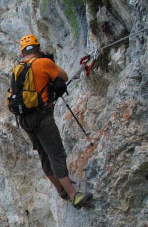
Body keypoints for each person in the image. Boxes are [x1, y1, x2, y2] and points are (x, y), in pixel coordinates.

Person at [13, 34, 92, 208]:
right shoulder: (44, 63)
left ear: (22, 53)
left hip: (24, 119)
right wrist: (48, 63)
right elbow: (63, 76)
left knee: (44, 155)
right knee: (56, 153)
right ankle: (73, 195)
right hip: (42, 117)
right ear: (38, 49)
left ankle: (60, 190)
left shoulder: (17, 68)